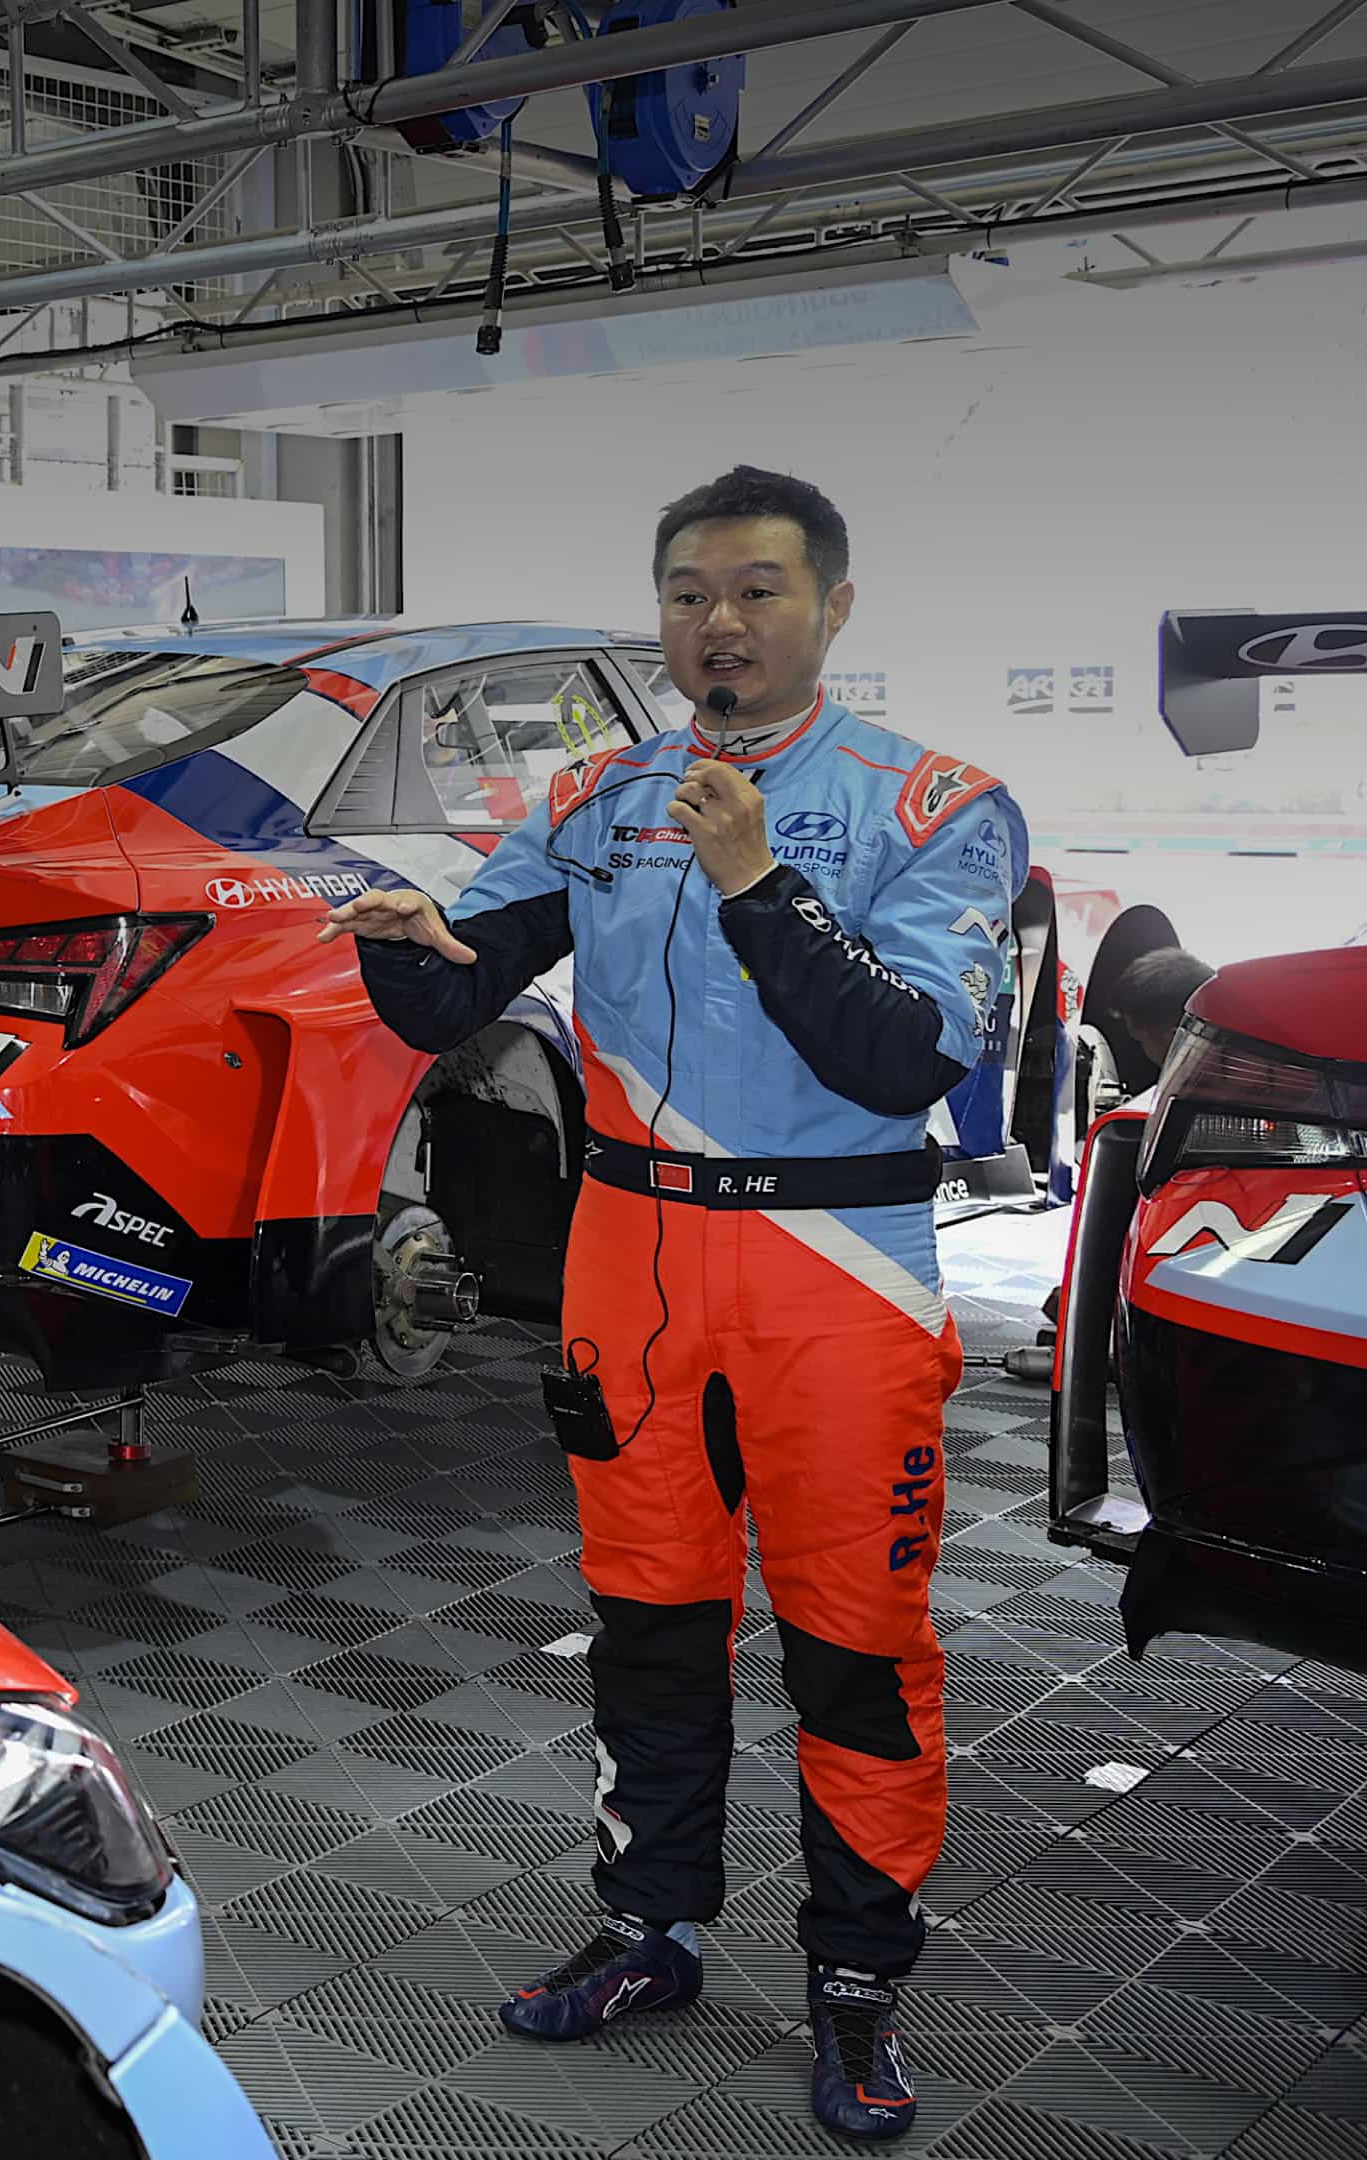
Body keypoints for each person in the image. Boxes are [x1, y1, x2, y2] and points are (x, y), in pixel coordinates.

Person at [325, 466, 1025, 2145]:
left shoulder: (937, 805)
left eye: (759, 590)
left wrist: (760, 880)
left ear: (831, 608)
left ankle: (856, 1987)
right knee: (648, 1625)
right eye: (691, 593)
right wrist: (404, 942)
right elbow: (454, 995)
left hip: (835, 1274)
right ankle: (652, 1928)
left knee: (856, 1651)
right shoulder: (599, 795)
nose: (721, 622)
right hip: (629, 1272)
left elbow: (909, 1056)